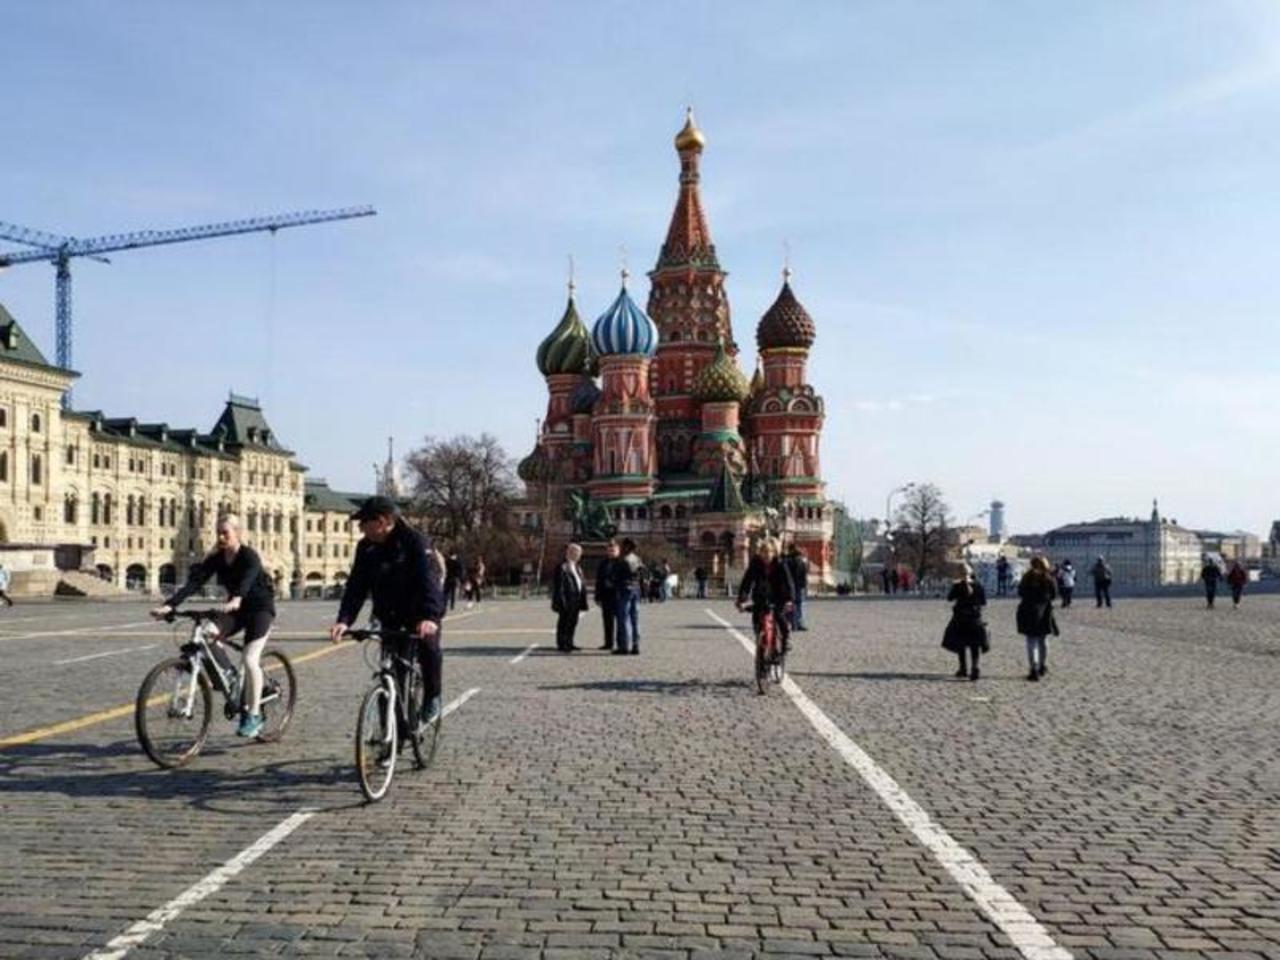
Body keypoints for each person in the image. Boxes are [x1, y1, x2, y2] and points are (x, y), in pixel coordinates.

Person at [151, 515, 276, 738]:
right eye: (218, 532)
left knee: (249, 659)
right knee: (207, 632)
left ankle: (254, 715)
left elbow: (247, 579)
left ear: (238, 533)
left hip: (260, 609)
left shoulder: (249, 556)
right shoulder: (217, 558)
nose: (220, 537)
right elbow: (194, 583)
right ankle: (230, 676)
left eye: (225, 533)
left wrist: (237, 597)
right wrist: (170, 605)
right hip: (235, 609)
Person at [329, 496, 445, 724]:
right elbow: (356, 586)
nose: (361, 528)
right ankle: (392, 737)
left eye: (364, 523)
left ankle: (433, 696)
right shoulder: (366, 547)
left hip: (421, 612)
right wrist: (344, 620)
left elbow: (428, 582)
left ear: (381, 522)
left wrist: (430, 617)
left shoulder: (415, 542)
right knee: (392, 676)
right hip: (390, 615)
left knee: (429, 650)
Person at [736, 538, 796, 654]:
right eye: (764, 551)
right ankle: (761, 651)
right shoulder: (755, 564)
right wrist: (742, 599)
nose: (766, 554)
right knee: (757, 619)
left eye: (769, 551)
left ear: (774, 552)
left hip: (778, 596)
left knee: (780, 618)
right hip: (761, 596)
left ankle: (786, 639)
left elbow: (789, 583)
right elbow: (747, 582)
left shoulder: (780, 564)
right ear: (760, 552)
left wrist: (789, 600)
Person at [942, 564, 988, 681]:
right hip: (975, 619)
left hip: (960, 619)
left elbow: (949, 598)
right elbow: (983, 603)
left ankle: (963, 668)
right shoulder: (978, 586)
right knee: (974, 645)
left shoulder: (957, 586)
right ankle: (975, 667)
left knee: (961, 645)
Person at [1017, 556, 1058, 682]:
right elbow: (1054, 595)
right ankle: (1042, 665)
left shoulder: (1026, 577)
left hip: (1028, 610)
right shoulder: (1048, 578)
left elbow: (1020, 592)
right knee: (1043, 640)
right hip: (1044, 611)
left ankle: (1033, 668)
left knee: (1031, 640)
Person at [551, 543, 588, 652]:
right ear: (570, 553)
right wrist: (561, 600)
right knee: (564, 622)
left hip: (576, 599)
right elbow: (559, 586)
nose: (579, 555)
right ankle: (562, 643)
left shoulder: (577, 567)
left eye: (580, 553)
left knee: (573, 622)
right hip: (567, 598)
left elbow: (580, 582)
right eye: (577, 553)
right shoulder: (562, 567)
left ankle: (570, 642)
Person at [612, 538, 643, 655]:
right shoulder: (637, 559)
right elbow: (642, 573)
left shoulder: (623, 560)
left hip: (624, 589)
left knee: (623, 618)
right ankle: (636, 644)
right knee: (635, 618)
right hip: (635, 589)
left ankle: (624, 646)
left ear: (626, 547)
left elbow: (616, 576)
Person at [595, 540, 620, 650]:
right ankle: (608, 643)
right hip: (606, 596)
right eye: (609, 550)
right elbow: (599, 580)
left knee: (621, 621)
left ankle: (621, 643)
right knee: (607, 621)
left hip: (618, 596)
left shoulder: (621, 563)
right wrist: (598, 596)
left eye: (613, 550)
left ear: (618, 551)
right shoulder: (603, 563)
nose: (611, 552)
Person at [783, 544, 810, 631]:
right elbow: (805, 571)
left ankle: (790, 622)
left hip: (789, 586)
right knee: (799, 604)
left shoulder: (786, 560)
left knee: (789, 604)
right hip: (800, 585)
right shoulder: (802, 560)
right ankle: (798, 623)